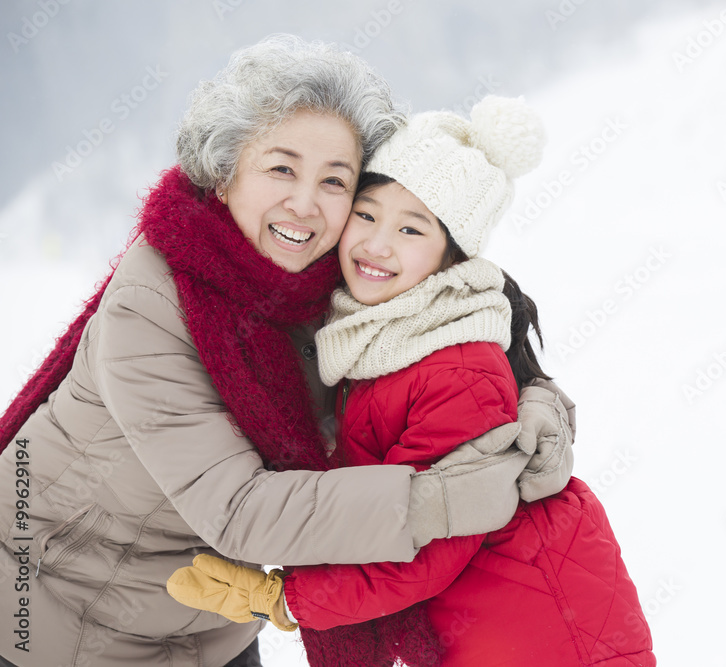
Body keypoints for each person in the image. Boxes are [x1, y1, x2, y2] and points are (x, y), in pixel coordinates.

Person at [0, 37, 573, 667]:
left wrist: (530, 407)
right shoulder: (152, 305)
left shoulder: (339, 275)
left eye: (335, 180)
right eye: (281, 168)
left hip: (208, 624)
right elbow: (243, 510)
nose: (305, 204)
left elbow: (451, 331)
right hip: (52, 615)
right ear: (223, 173)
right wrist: (445, 499)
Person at [168, 96, 653, 666]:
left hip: (544, 637)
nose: (376, 244)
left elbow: (426, 542)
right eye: (367, 215)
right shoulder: (374, 335)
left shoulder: (456, 368)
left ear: (451, 257)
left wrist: (282, 599)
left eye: (411, 229)